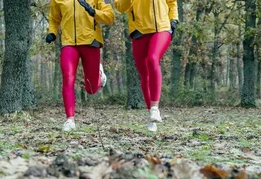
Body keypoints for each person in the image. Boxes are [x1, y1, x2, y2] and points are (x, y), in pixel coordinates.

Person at [47, 0, 115, 132]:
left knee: (91, 89)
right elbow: (54, 18)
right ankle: (70, 119)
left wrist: (93, 12)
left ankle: (99, 76)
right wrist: (52, 32)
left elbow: (110, 17)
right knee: (68, 77)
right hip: (69, 43)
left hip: (91, 42)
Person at [115, 0, 178, 132]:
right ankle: (152, 115)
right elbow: (120, 7)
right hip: (139, 30)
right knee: (144, 73)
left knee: (152, 59)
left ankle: (155, 107)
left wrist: (174, 19)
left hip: (162, 27)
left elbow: (172, 2)